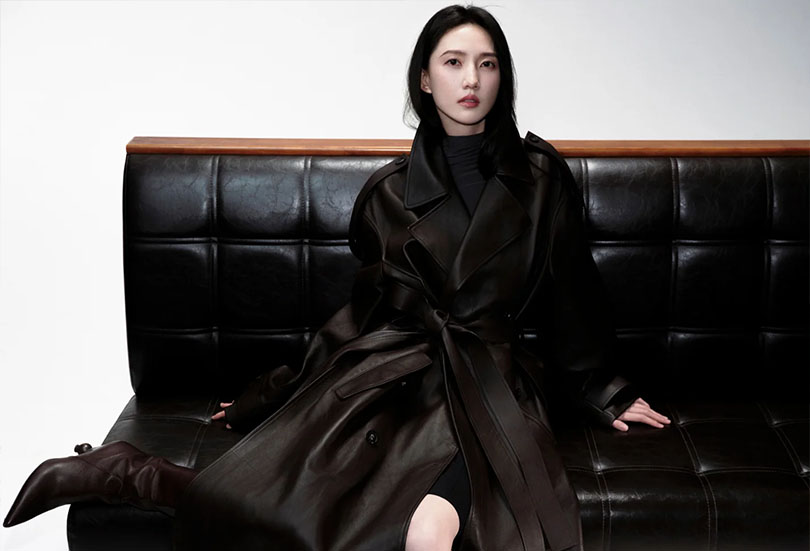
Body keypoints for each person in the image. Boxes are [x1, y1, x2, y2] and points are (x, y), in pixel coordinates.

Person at [4, 4, 670, 551]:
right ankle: (130, 473)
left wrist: (602, 389)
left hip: (493, 383)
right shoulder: (388, 194)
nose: (472, 78)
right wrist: (268, 396)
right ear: (424, 81)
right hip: (401, 376)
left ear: (503, 78)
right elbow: (363, 316)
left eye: (488, 63)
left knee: (428, 529)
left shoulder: (540, 176)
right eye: (453, 62)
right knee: (296, 509)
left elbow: (571, 293)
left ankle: (137, 476)